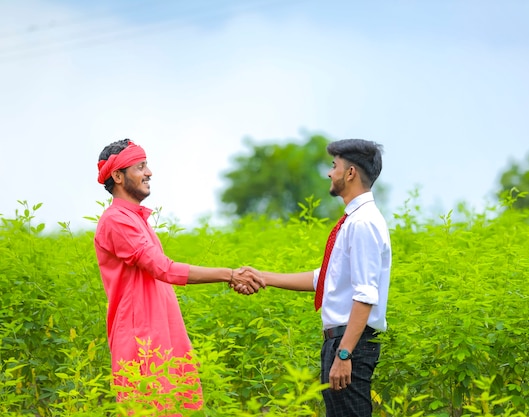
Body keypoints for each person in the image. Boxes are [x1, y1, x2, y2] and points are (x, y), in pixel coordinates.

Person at [94, 138, 264, 414]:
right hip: (141, 343)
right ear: (118, 176)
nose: (149, 172)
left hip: (162, 336)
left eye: (146, 165)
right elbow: (164, 269)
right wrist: (230, 274)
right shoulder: (116, 220)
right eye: (140, 166)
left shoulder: (135, 219)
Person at [239, 139, 392, 417]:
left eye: (334, 166)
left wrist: (344, 354)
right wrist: (264, 277)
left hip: (350, 344)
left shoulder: (362, 223)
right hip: (340, 342)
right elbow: (325, 279)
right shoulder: (353, 221)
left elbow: (365, 294)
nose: (329, 173)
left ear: (350, 173)